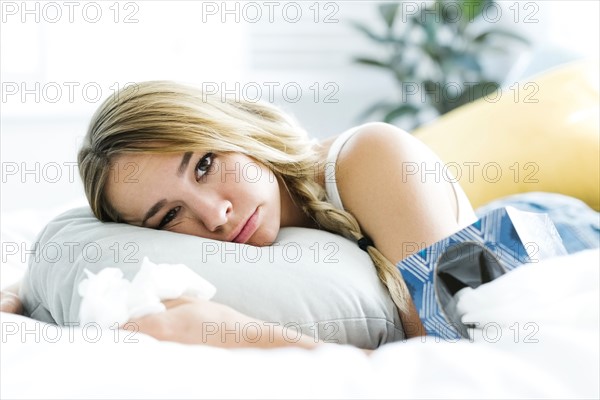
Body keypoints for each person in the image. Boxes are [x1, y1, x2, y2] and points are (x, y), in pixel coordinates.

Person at [1, 81, 477, 348]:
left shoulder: (374, 157)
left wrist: (253, 338)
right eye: (169, 216)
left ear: (232, 128)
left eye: (205, 164)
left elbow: (446, 358)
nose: (215, 215)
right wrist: (22, 292)